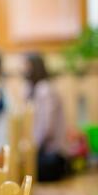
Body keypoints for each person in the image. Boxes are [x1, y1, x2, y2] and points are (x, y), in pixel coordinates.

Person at [24, 53, 67, 181]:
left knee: (27, 171)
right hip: (45, 150)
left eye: (27, 67)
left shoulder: (44, 89)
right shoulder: (36, 88)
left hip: (52, 154)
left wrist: (33, 148)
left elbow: (47, 127)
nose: (24, 70)